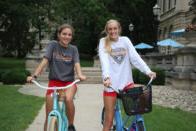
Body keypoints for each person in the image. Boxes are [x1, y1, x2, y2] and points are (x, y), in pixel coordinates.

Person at [98, 19, 156, 131]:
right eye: (110, 29)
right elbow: (104, 61)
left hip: (126, 83)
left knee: (141, 103)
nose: (113, 31)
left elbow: (135, 58)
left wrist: (148, 71)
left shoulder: (125, 40)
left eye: (115, 28)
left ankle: (134, 126)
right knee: (109, 121)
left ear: (119, 29)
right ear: (107, 30)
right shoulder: (103, 42)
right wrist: (106, 78)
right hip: (111, 85)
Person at [27, 23, 86, 131]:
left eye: (69, 35)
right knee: (49, 115)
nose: (67, 37)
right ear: (59, 35)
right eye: (64, 34)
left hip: (69, 83)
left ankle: (71, 125)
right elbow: (45, 61)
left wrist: (80, 74)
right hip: (54, 83)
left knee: (68, 99)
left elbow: (77, 63)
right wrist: (34, 75)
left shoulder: (73, 49)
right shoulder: (53, 45)